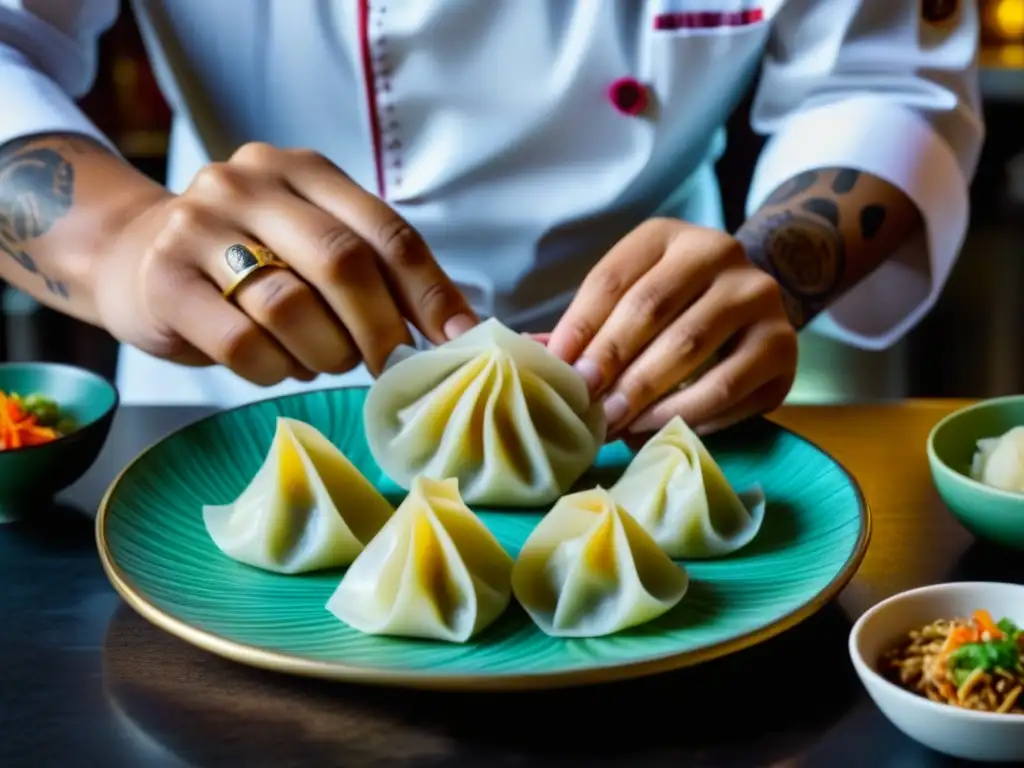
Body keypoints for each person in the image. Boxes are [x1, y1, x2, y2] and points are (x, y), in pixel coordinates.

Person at [0, 0, 982, 439]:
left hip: (645, 402)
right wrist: (123, 244)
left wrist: (771, 268)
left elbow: (883, 80)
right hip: (235, 382)